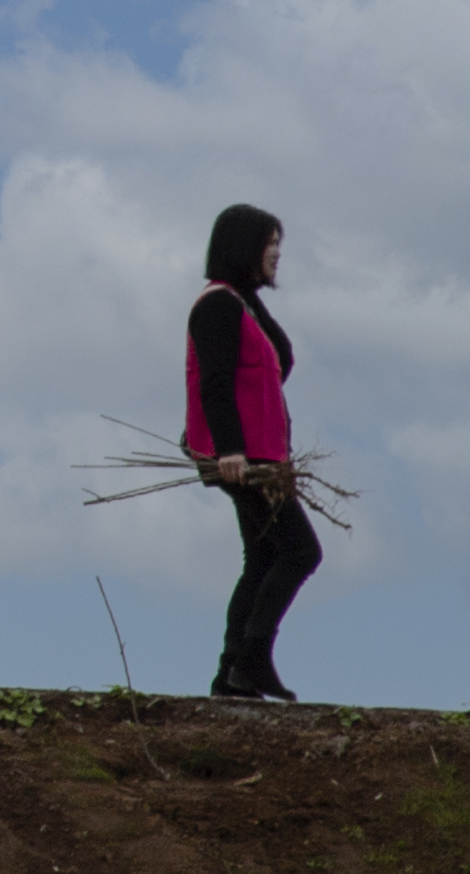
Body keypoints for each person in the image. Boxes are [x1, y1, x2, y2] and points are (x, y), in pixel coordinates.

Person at [186, 200, 317, 701]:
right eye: (270, 243)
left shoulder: (245, 304)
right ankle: (252, 660)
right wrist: (231, 451)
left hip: (264, 458)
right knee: (300, 551)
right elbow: (214, 386)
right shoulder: (219, 304)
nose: (277, 253)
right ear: (244, 247)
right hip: (243, 460)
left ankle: (231, 675)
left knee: (263, 558)